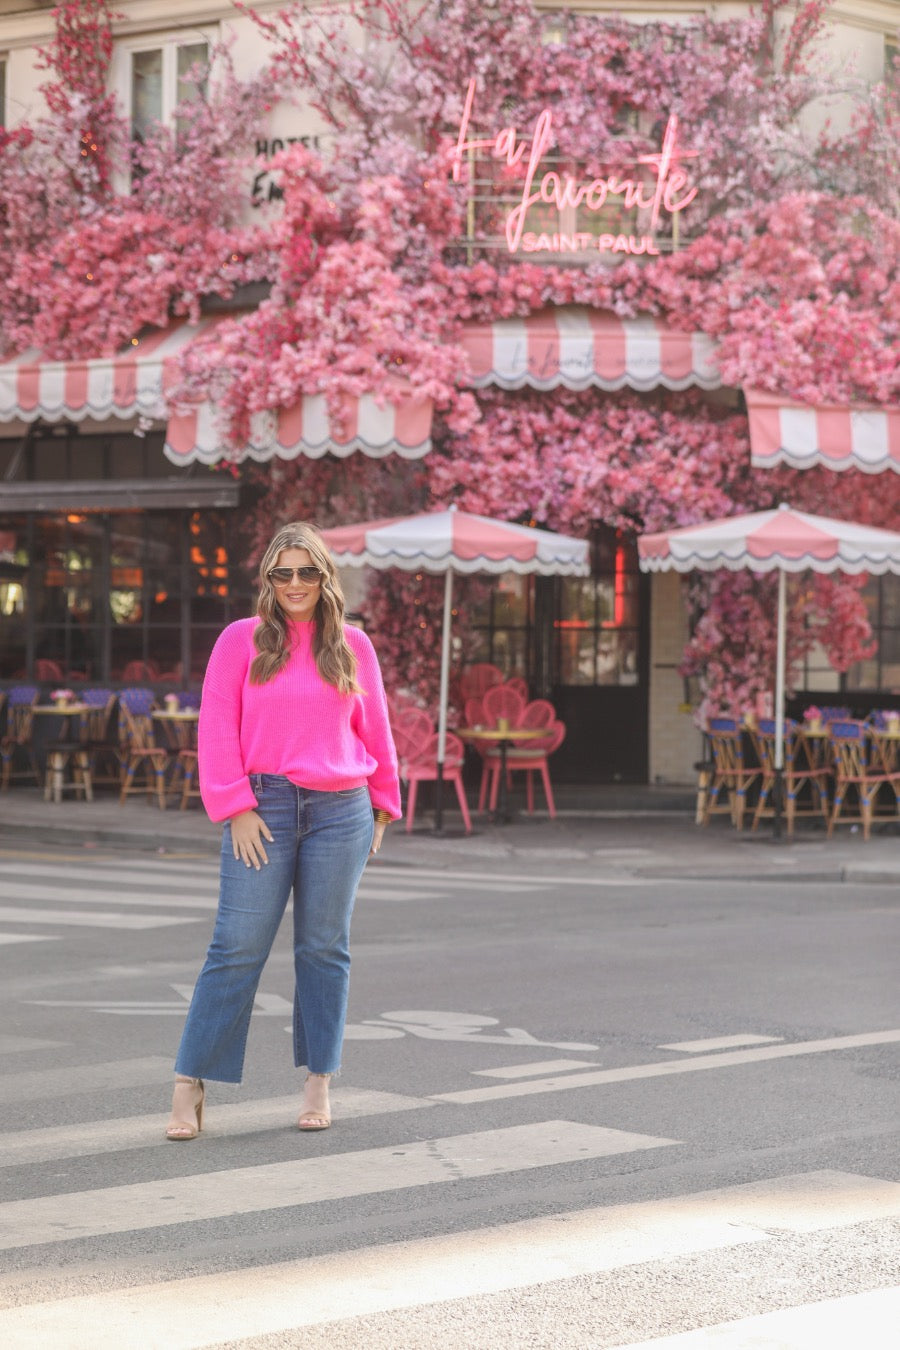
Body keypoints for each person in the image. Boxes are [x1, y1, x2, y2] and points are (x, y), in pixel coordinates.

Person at [165, 521, 401, 1140]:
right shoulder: (239, 641)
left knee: (324, 949)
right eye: (283, 572)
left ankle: (319, 1080)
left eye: (307, 572)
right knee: (236, 946)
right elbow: (215, 727)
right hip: (262, 807)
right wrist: (235, 806)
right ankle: (190, 1083)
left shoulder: (353, 646)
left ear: (325, 577)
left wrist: (381, 806)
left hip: (340, 810)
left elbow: (376, 731)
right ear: (268, 579)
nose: (295, 584)